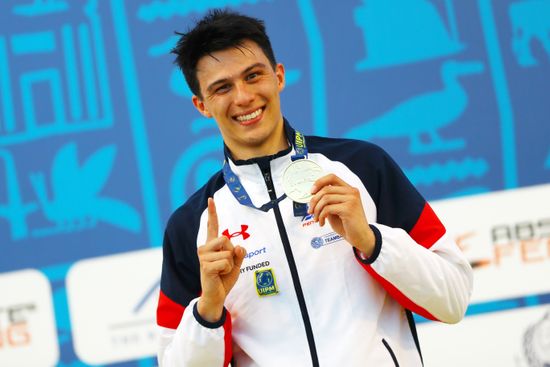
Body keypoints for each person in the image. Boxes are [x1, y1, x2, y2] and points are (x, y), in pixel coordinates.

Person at [156, 8, 473, 367]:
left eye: (253, 75)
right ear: (202, 106)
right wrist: (208, 309)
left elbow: (454, 298)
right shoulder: (191, 226)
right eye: (222, 88)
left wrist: (372, 241)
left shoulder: (363, 167)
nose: (243, 97)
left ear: (278, 76)